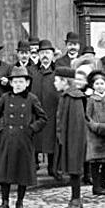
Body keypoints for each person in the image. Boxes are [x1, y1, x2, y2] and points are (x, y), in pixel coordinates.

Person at [0, 66, 47, 208]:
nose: (18, 84)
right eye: (15, 81)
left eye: (21, 81)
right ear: (11, 83)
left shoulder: (32, 99)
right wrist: (0, 129)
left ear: (27, 83)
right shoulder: (5, 98)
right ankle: (4, 203)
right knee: (5, 173)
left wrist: (31, 129)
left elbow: (42, 118)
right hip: (7, 139)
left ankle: (19, 203)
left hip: (24, 140)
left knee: (23, 173)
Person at [54, 65, 87, 208]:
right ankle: (76, 200)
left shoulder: (73, 98)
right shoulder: (68, 96)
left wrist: (70, 142)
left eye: (56, 81)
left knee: (74, 168)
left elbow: (76, 124)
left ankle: (75, 201)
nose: (55, 84)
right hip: (70, 138)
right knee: (73, 169)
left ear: (64, 81)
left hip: (74, 139)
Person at [30, 39, 59, 178]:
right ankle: (33, 165)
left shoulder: (57, 72)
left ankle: (53, 168)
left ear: (53, 55)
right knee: (34, 137)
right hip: (35, 111)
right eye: (42, 53)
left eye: (48, 52)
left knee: (52, 139)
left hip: (52, 110)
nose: (45, 56)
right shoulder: (32, 71)